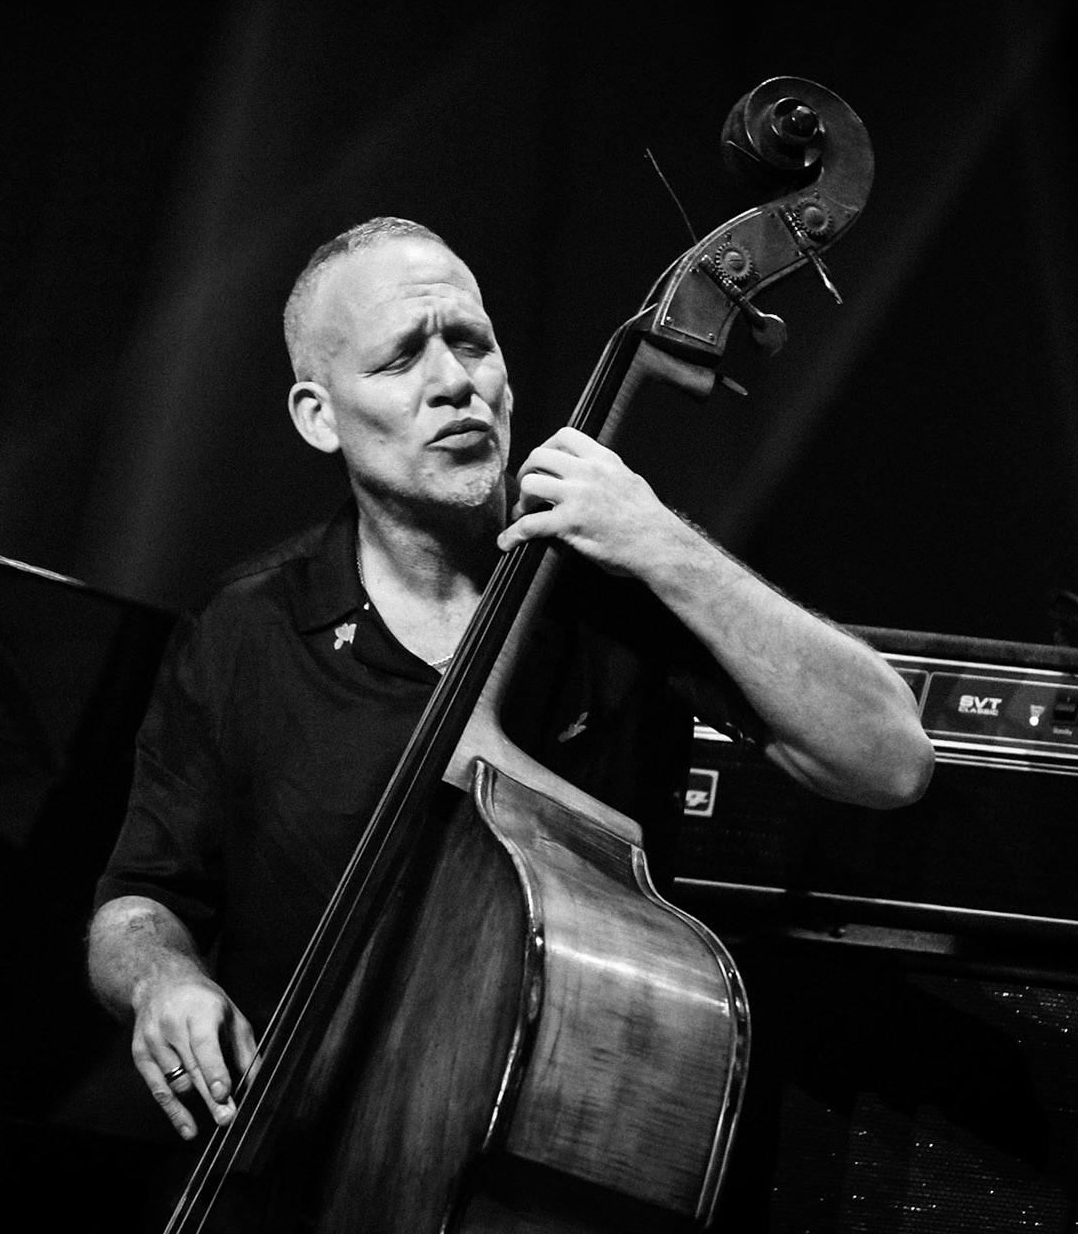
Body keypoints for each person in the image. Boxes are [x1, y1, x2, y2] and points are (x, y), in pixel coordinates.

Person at [86, 217, 935, 1153]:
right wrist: (163, 979)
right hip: (289, 1159)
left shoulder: (615, 585)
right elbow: (140, 899)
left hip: (556, 1149)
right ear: (319, 416)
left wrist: (666, 546)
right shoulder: (244, 632)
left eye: (471, 343)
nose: (454, 382)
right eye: (401, 358)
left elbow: (888, 760)